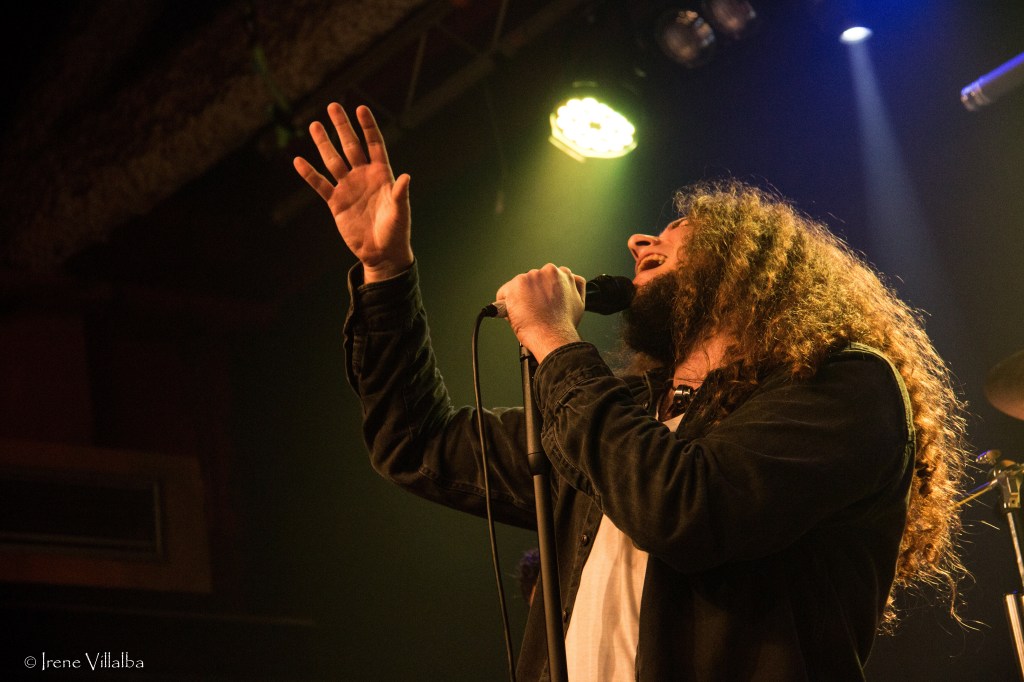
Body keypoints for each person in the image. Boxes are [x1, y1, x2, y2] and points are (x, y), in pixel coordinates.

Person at [293, 103, 969, 681]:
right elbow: (416, 443)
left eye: (674, 231)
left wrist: (555, 340)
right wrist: (386, 272)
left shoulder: (845, 382)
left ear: (749, 260)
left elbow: (683, 508)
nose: (639, 238)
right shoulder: (625, 413)